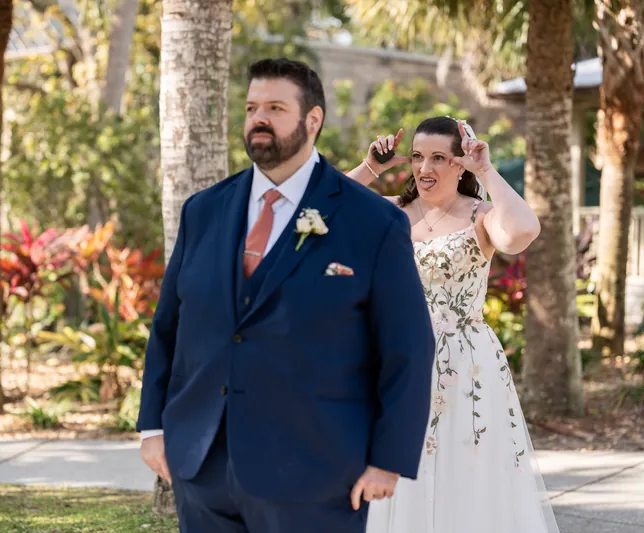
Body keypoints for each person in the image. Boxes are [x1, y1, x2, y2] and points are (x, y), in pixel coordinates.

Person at [136, 58, 436, 533]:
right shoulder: (204, 211)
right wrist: (153, 428)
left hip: (317, 471)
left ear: (311, 120)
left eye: (276, 107)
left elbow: (408, 348)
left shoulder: (372, 221)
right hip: (203, 468)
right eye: (252, 106)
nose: (259, 118)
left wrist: (388, 460)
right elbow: (170, 327)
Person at [348, 116, 560, 533]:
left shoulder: (481, 216)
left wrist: (487, 169)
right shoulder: (390, 214)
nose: (424, 168)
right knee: (402, 466)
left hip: (466, 366)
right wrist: (371, 167)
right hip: (397, 359)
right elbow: (318, 212)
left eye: (439, 158)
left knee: (466, 468)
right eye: (417, 157)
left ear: (460, 163)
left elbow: (523, 231)